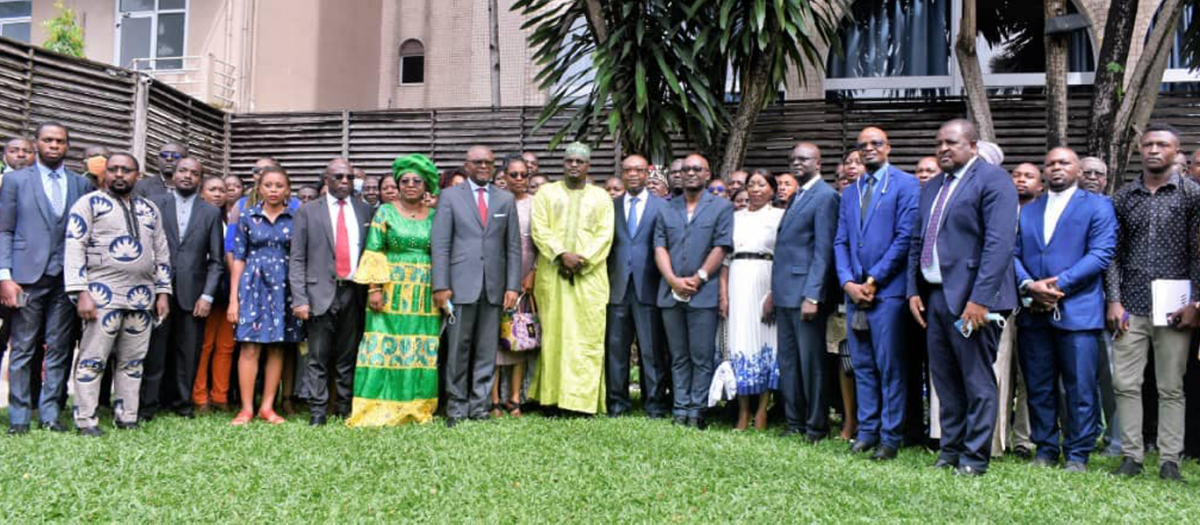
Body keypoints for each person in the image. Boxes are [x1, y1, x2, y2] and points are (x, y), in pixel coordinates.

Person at [907, 119, 1019, 476]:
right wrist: (913, 290)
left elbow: (999, 244)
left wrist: (981, 299)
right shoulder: (933, 187)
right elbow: (917, 240)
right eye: (938, 142)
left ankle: (974, 457)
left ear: (972, 145)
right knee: (944, 380)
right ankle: (949, 450)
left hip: (974, 300)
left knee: (976, 380)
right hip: (936, 297)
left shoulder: (993, 180)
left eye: (951, 142)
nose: (942, 148)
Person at [1013, 147, 1116, 472]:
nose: (1056, 168)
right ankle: (1045, 448)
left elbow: (1100, 254)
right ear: (1044, 171)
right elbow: (1012, 254)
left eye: (1064, 163)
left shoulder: (1098, 206)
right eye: (1051, 163)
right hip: (1034, 312)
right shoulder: (1029, 210)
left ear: (1078, 170)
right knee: (1039, 385)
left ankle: (1077, 453)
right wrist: (1030, 285)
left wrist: (1058, 286)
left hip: (1078, 311)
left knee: (1081, 388)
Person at [1106, 123, 1200, 482]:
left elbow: (1198, 254)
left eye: (1163, 145)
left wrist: (1196, 302)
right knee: (1126, 384)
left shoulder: (1192, 195)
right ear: (1140, 150)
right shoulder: (1124, 197)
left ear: (1177, 153)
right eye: (1148, 144)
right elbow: (1112, 255)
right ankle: (1131, 456)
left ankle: (1169, 460)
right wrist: (1113, 300)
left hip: (1175, 309)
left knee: (1170, 386)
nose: (1154, 150)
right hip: (1130, 304)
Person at [64, 152, 172, 435]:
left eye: (127, 170)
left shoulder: (149, 209)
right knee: (92, 359)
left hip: (142, 298)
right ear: (105, 174)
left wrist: (163, 292)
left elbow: (161, 252)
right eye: (114, 169)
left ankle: (127, 417)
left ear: (137, 175)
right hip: (102, 296)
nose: (120, 175)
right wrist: (80, 291)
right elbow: (75, 246)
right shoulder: (89, 204)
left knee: (133, 362)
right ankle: (86, 420)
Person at [0, 122, 94, 434]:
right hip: (26, 276)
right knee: (24, 347)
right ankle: (19, 417)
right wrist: (5, 276)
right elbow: (5, 229)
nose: (54, 145)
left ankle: (51, 413)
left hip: (66, 279)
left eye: (61, 141)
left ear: (68, 146)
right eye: (48, 140)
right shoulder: (15, 181)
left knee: (59, 346)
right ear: (37, 143)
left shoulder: (80, 184)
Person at [834, 127, 920, 460]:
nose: (869, 149)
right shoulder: (851, 191)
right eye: (862, 146)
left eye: (876, 144)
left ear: (888, 147)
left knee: (890, 367)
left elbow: (904, 239)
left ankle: (890, 435)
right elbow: (840, 241)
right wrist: (847, 284)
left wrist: (873, 280)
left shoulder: (906, 185)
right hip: (854, 293)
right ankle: (867, 431)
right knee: (863, 365)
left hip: (887, 294)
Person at [347, 155, 443, 426]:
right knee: (383, 344)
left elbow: (443, 251)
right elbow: (375, 249)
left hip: (424, 292)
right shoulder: (385, 212)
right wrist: (374, 289)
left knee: (420, 347)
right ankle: (376, 407)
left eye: (416, 181)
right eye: (405, 181)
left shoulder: (436, 215)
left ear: (426, 186)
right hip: (390, 289)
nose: (410, 185)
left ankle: (416, 406)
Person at [432, 146, 521, 426]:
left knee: (486, 350)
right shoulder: (449, 197)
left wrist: (512, 287)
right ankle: (456, 408)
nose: (484, 166)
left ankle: (479, 407)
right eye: (478, 162)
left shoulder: (505, 199)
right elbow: (441, 244)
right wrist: (440, 285)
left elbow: (513, 248)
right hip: (459, 286)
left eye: (489, 162)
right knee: (458, 349)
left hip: (494, 287)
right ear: (466, 165)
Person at [530, 142, 615, 416]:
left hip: (588, 278)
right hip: (553, 275)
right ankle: (552, 400)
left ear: (588, 166)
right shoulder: (546, 193)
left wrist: (581, 260)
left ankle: (582, 402)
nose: (574, 165)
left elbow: (605, 235)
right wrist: (561, 254)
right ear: (563, 164)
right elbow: (539, 229)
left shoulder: (601, 197)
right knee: (554, 336)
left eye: (580, 161)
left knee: (585, 338)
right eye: (569, 161)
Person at [290, 159, 375, 425]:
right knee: (317, 356)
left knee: (348, 355)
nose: (345, 182)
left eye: (349, 177)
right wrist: (300, 298)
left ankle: (343, 408)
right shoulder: (308, 211)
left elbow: (373, 254)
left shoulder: (364, 211)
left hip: (354, 291)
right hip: (319, 293)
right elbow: (297, 258)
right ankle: (317, 412)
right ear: (326, 179)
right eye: (338, 177)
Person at [144, 157, 225, 420]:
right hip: (159, 292)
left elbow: (216, 260)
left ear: (200, 179)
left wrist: (207, 295)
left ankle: (182, 404)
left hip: (195, 295)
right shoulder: (156, 204)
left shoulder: (210, 212)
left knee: (188, 352)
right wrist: (157, 289)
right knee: (155, 351)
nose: (187, 176)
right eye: (183, 171)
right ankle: (149, 404)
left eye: (194, 173)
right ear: (173, 175)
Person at [655, 152, 732, 429]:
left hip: (704, 292)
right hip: (671, 291)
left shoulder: (721, 208)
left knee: (701, 355)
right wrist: (673, 279)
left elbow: (721, 246)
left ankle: (697, 410)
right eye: (686, 169)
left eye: (697, 169)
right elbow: (659, 247)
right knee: (678, 355)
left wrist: (698, 278)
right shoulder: (667, 208)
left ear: (707, 174)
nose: (690, 173)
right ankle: (680, 407)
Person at [228, 166, 305, 425]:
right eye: (268, 185)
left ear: (287, 190)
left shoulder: (296, 218)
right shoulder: (248, 217)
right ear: (259, 188)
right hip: (252, 286)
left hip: (284, 287)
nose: (273, 190)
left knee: (277, 346)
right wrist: (233, 299)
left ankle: (268, 407)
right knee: (249, 346)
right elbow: (238, 258)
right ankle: (247, 408)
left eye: (279, 185)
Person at [773, 142, 839, 442]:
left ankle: (816, 426)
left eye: (804, 159)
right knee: (789, 362)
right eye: (793, 159)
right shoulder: (797, 195)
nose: (797, 163)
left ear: (818, 163)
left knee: (811, 364)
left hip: (806, 296)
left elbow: (824, 251)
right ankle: (795, 421)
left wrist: (813, 294)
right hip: (785, 293)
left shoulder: (825, 197)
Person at [605, 154, 669, 418]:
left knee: (651, 350)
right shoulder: (610, 206)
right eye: (628, 170)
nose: (633, 174)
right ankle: (617, 403)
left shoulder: (662, 206)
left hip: (649, 286)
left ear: (647, 174)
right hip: (617, 286)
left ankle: (653, 403)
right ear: (622, 173)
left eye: (639, 170)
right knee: (616, 349)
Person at [720, 169, 783, 431]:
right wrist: (723, 294)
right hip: (737, 277)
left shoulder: (780, 216)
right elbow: (724, 258)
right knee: (740, 341)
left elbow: (783, 256)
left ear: (772, 189)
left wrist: (773, 293)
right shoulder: (733, 217)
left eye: (761, 184)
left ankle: (762, 410)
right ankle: (743, 411)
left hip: (766, 277)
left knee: (767, 343)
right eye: (751, 184)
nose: (755, 189)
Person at [490, 155, 538, 417]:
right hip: (497, 278)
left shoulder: (536, 204)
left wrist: (534, 272)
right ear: (505, 177)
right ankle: (495, 399)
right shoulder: (495, 202)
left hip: (526, 278)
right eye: (514, 175)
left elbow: (542, 242)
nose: (519, 179)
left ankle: (515, 398)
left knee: (521, 336)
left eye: (524, 175)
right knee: (496, 340)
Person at [192, 175, 235, 413]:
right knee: (205, 345)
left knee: (226, 346)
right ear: (202, 193)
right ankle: (200, 397)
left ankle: (221, 396)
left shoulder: (231, 218)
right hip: (206, 290)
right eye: (212, 189)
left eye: (222, 190)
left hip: (228, 291)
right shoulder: (198, 218)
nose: (218, 194)